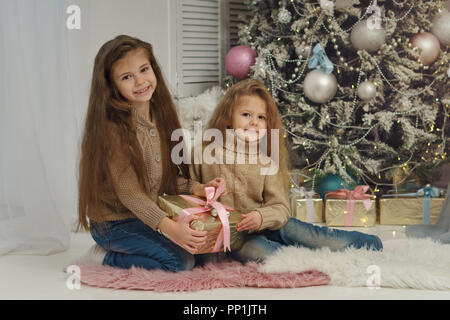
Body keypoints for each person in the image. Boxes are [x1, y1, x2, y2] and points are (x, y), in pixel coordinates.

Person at [190, 79, 383, 264]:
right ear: (228, 117)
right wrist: (201, 188)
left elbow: (280, 207)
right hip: (237, 237)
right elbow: (182, 186)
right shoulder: (204, 153)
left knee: (312, 236)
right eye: (246, 115)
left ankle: (369, 244)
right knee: (261, 253)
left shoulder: (265, 163)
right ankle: (317, 264)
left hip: (268, 223)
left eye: (261, 117)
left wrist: (261, 217)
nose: (254, 122)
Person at [76, 35, 224, 271]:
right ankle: (103, 256)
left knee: (206, 254)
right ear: (112, 87)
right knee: (180, 261)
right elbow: (131, 195)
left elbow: (156, 179)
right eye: (127, 77)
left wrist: (195, 188)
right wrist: (171, 228)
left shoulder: (158, 116)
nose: (140, 81)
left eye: (144, 69)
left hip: (147, 214)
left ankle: (155, 239)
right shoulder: (114, 131)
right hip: (115, 223)